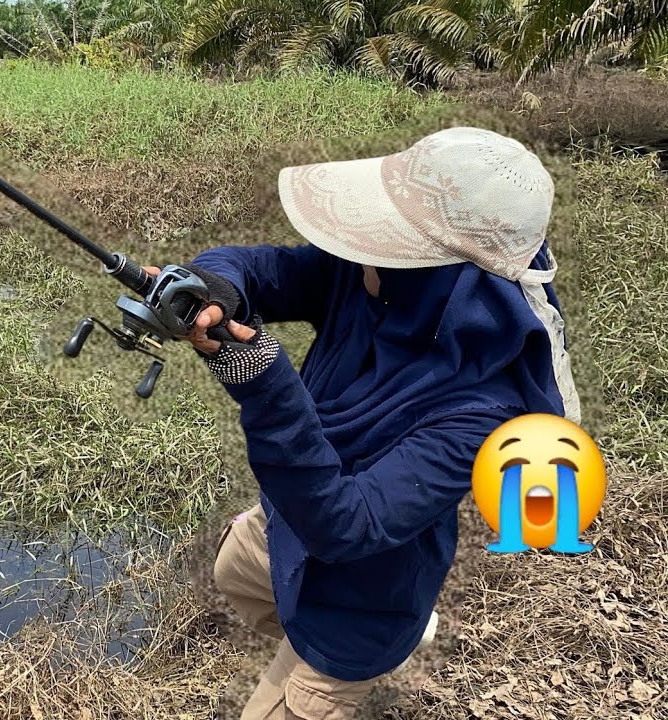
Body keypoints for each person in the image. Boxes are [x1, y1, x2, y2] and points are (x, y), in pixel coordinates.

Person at [153, 127, 580, 719]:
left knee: (299, 685)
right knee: (235, 568)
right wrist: (216, 287)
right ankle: (365, 633)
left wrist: (267, 385)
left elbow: (346, 527)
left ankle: (371, 653)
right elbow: (268, 269)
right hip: (291, 523)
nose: (358, 250)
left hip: (364, 594)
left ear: (436, 271)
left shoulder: (484, 411)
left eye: (385, 239)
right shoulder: (374, 281)